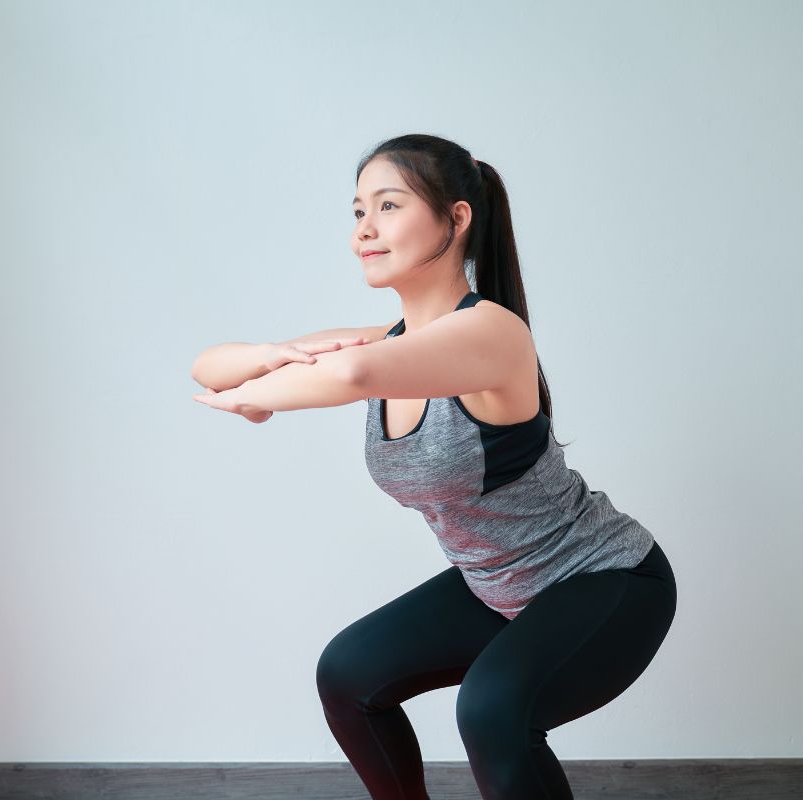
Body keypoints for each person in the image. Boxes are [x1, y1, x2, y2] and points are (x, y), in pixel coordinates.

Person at [191, 133, 677, 800]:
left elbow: (354, 373)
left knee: (491, 710)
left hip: (606, 579)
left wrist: (258, 392)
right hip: (495, 583)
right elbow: (208, 367)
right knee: (348, 673)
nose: (366, 228)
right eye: (358, 211)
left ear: (456, 218)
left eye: (388, 205)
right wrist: (273, 356)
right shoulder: (383, 342)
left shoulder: (492, 332)